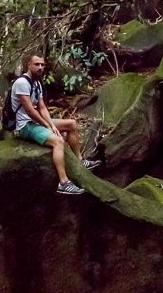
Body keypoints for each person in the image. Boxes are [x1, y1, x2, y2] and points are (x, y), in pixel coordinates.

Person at [12, 53, 101, 195]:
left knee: (71, 124)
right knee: (58, 141)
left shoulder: (37, 83)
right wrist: (47, 126)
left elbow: (41, 108)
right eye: (37, 64)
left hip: (36, 121)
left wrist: (52, 125)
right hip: (25, 125)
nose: (40, 67)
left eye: (42, 64)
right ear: (28, 65)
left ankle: (80, 160)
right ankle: (63, 183)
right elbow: (29, 110)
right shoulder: (22, 83)